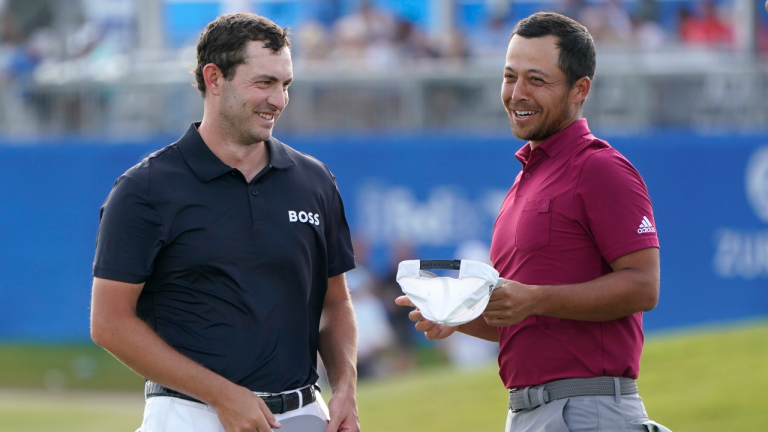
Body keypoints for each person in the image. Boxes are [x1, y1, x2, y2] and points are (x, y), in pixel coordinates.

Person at [90, 13, 359, 432]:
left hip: (303, 414)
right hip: (190, 416)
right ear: (214, 78)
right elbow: (109, 323)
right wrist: (220, 394)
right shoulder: (145, 188)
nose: (279, 100)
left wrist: (345, 386)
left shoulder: (314, 181)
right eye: (264, 83)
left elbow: (334, 302)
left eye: (285, 84)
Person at [397, 12, 666, 432]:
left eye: (536, 80)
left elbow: (643, 286)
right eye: (510, 77)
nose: (517, 93)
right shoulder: (525, 178)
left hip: (586, 411)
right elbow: (526, 316)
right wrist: (456, 317)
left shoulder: (601, 168)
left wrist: (534, 298)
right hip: (531, 412)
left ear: (580, 89)